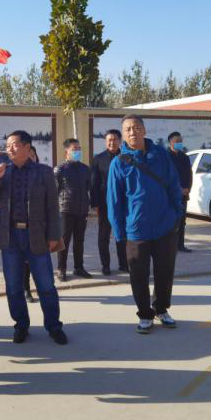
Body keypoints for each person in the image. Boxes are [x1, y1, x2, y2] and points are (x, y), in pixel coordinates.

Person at [0, 130, 68, 345]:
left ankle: (54, 326)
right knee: (13, 286)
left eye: (14, 144)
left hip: (37, 235)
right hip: (10, 237)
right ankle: (21, 325)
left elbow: (53, 207)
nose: (9, 149)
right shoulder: (4, 173)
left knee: (46, 285)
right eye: (7, 146)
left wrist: (54, 235)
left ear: (27, 147)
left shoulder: (44, 172)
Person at [107, 115, 183, 334]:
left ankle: (161, 308)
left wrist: (177, 215)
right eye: (128, 129)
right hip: (136, 228)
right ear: (123, 135)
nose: (133, 132)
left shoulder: (160, 155)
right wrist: (119, 232)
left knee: (165, 271)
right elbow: (114, 200)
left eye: (136, 127)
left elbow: (173, 184)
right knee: (138, 274)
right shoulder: (119, 163)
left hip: (165, 225)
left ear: (144, 130)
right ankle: (144, 314)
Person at [91, 129, 128, 275]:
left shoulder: (126, 157)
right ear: (106, 142)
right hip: (105, 203)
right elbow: (94, 183)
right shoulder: (98, 159)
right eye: (109, 140)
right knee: (103, 236)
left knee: (122, 234)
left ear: (120, 141)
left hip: (124, 203)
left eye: (114, 139)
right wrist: (95, 204)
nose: (112, 142)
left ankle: (124, 264)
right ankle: (105, 265)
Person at [55, 138, 92, 281]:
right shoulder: (60, 169)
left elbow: (88, 187)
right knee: (64, 241)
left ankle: (79, 267)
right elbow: (54, 191)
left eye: (79, 148)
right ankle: (61, 269)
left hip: (82, 210)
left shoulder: (85, 169)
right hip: (65, 209)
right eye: (74, 149)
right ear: (66, 152)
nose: (78, 151)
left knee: (79, 240)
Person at [167, 131, 194, 253]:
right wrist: (177, 189)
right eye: (176, 141)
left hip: (183, 195)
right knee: (170, 221)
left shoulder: (184, 157)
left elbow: (189, 175)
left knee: (182, 221)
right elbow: (166, 176)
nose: (179, 143)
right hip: (170, 195)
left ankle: (180, 245)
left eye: (180, 141)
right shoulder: (166, 157)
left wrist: (188, 188)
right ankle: (169, 245)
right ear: (170, 142)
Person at [23, 146, 40, 303]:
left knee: (40, 261)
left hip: (39, 227)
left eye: (33, 155)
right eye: (27, 155)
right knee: (25, 262)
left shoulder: (43, 175)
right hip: (23, 227)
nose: (30, 158)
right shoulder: (16, 176)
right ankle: (26, 289)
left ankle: (42, 288)